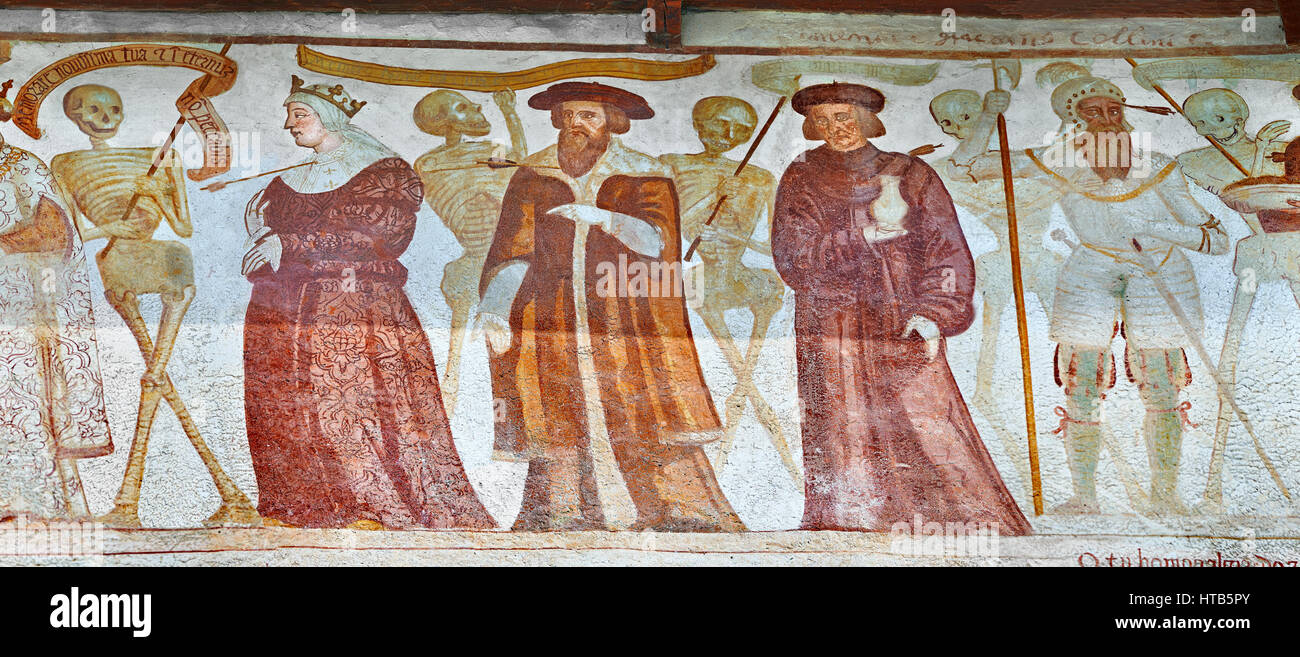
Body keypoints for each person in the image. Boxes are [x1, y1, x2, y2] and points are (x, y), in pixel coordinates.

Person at [956, 69, 1228, 515]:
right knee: (1081, 382)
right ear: (1075, 120)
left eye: (1114, 110)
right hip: (1091, 269)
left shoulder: (1158, 164)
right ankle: (1085, 497)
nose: (1106, 120)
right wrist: (989, 115)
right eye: (1092, 112)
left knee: (1160, 383)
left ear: (1125, 116)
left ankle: (1165, 496)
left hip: (1157, 269)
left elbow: (1213, 239)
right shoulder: (1058, 160)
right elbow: (967, 168)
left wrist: (1157, 229)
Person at [477, 81, 744, 532]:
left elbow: (660, 244)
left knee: (645, 404)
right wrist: (496, 306)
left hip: (628, 310)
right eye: (569, 115)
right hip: (554, 311)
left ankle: (678, 510)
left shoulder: (644, 173)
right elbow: (512, 247)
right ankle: (565, 512)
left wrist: (605, 218)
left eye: (589, 116)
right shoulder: (533, 174)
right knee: (556, 404)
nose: (576, 124)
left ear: (611, 124)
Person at [771, 82, 1031, 534]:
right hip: (831, 318)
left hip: (902, 310)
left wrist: (935, 312)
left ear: (868, 120)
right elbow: (792, 256)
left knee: (925, 413)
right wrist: (863, 238)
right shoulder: (802, 174)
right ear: (813, 126)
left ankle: (961, 523)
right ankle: (850, 522)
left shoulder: (911, 172)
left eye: (846, 116)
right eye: (827, 119)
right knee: (840, 415)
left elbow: (945, 247)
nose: (839, 127)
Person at [240, 76, 495, 530]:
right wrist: (264, 234)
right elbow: (277, 232)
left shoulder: (384, 172)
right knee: (282, 404)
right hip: (282, 305)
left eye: (299, 115)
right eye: (289, 114)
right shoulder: (285, 181)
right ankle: (299, 506)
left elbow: (383, 236)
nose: (289, 125)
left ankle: (369, 505)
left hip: (354, 302)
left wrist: (291, 242)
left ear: (330, 118)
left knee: (350, 402)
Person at [0, 86, 113, 522]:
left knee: (18, 404)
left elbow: (55, 236)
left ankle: (30, 505)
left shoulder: (24, 168)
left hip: (16, 313)